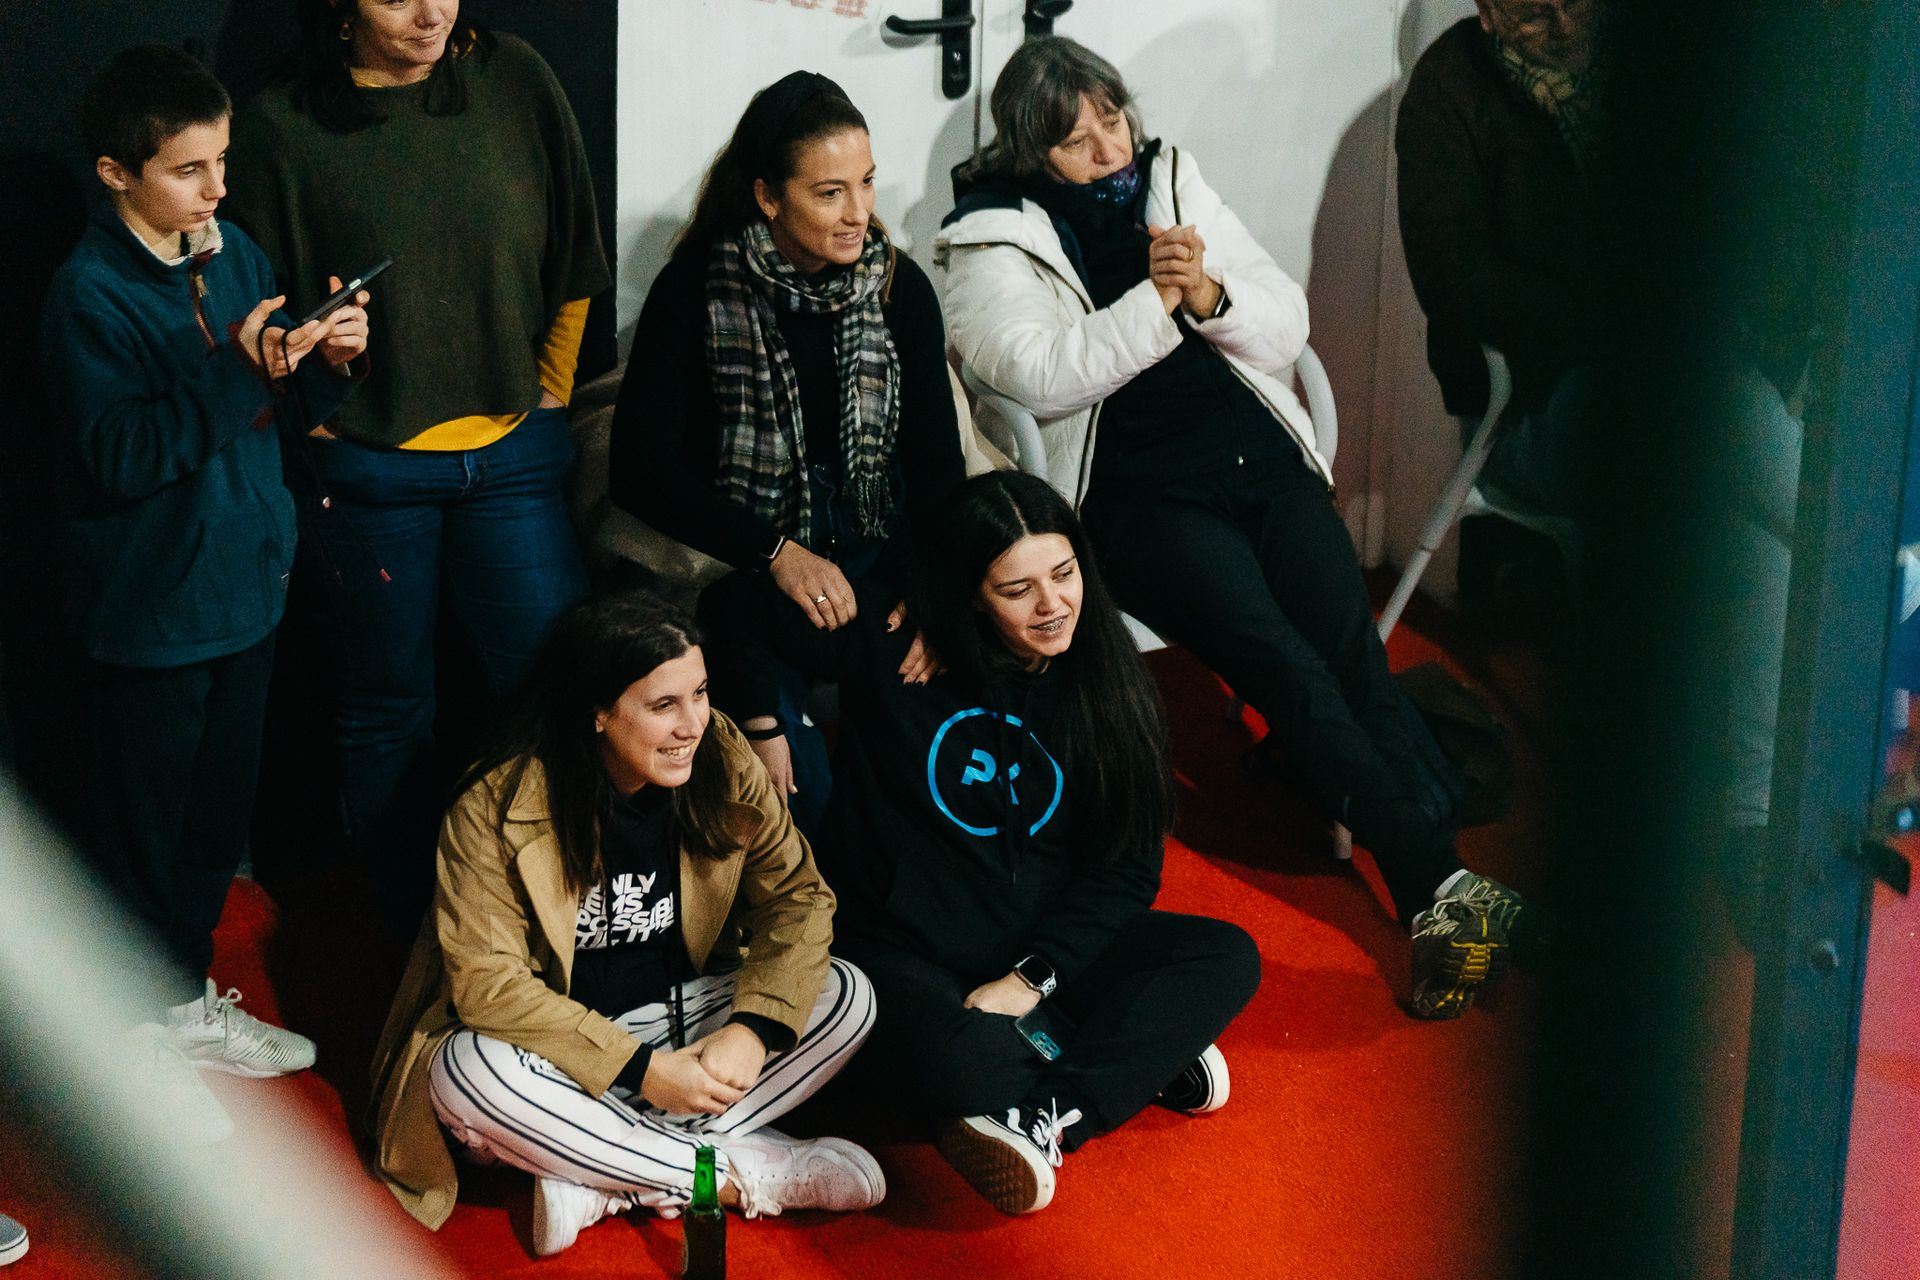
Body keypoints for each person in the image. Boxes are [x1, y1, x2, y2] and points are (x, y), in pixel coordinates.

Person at [935, 37, 1540, 1018]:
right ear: (1030, 154)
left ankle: (1447, 890)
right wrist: (1161, 303)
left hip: (1253, 454)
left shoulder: (1172, 176)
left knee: (1347, 643)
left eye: (1112, 118)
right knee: (1281, 661)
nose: (1107, 147)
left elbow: (1284, 321)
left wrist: (1212, 296)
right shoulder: (991, 236)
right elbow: (1029, 370)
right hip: (1136, 494)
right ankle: (1442, 882)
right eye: (1074, 138)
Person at [702, 471, 1259, 1216]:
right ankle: (1124, 1054)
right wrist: (765, 725)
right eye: (1016, 589)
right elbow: (730, 607)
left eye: (1064, 575)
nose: (1051, 605)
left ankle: (1053, 1111)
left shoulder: (1109, 683)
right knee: (958, 1065)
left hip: (1030, 945)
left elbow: (1125, 874)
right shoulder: (897, 638)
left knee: (1223, 956)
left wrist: (1029, 981)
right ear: (969, 593)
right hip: (898, 947)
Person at [223, 0, 610, 932]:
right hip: (366, 469)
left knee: (556, 692)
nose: (432, 11)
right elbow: (255, 302)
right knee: (386, 714)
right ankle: (414, 936)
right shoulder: (284, 122)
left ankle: (563, 921)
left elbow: (572, 256)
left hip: (513, 452)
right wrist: (312, 418)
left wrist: (551, 391)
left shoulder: (512, 78)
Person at [368, 593, 885, 1256]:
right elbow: (490, 988)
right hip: (558, 1048)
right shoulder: (493, 803)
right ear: (599, 712)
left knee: (848, 995)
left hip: (682, 1025)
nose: (693, 723)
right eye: (663, 705)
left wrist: (753, 1031)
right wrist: (640, 1071)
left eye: (700, 693)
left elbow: (800, 900)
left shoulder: (723, 758)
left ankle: (601, 1177)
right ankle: (734, 1175)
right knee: (464, 1072)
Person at [40, 43, 370, 1079]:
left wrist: (331, 364)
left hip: (245, 595)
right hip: (150, 616)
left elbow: (277, 410)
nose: (218, 186)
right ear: (116, 173)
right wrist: (240, 369)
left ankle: (178, 1009)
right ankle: (129, 1057)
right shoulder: (87, 294)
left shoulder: (236, 254)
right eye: (191, 168)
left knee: (209, 837)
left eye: (222, 160)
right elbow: (120, 455)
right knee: (134, 848)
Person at [609, 70, 966, 833]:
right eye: (829, 192)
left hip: (875, 560)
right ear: (768, 196)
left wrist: (930, 592)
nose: (859, 214)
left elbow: (935, 470)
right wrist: (777, 553)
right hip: (743, 576)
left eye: (866, 184)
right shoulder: (698, 289)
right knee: (797, 797)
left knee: (931, 774)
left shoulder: (898, 288)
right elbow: (639, 470)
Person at [1395, 0, 1597, 515]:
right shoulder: (1449, 86)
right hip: (1526, 404)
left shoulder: (1636, 63)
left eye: (1576, 2)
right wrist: (1605, 323)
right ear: (1487, 13)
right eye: (1535, 15)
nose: (1565, 26)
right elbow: (1452, 279)